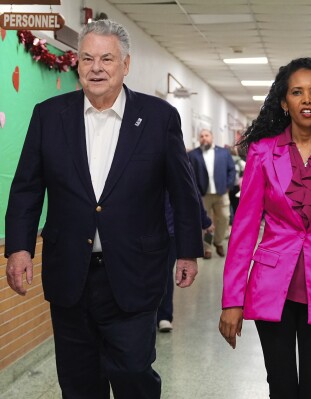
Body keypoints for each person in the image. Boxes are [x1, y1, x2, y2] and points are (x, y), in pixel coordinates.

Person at [4, 20, 204, 399]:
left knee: (132, 372)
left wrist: (188, 251)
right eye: (87, 58)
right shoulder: (49, 115)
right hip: (70, 274)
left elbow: (183, 191)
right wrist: (19, 247)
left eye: (107, 59)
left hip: (134, 272)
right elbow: (27, 188)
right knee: (79, 382)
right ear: (77, 64)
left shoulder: (158, 118)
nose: (96, 67)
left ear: (125, 65)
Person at [219, 57, 311, 399]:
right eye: (297, 92)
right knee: (281, 388)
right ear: (284, 102)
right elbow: (244, 227)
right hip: (272, 287)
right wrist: (232, 300)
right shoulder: (261, 152)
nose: (306, 100)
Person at [157, 192, 213, 332]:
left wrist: (204, 220)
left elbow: (191, 192)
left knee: (165, 273)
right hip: (140, 230)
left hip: (169, 229)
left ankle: (164, 315)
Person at [188, 129, 236, 258]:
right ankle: (207, 248)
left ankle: (218, 241)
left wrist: (228, 185)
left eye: (206, 135)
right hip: (203, 194)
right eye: (201, 136)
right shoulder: (193, 155)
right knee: (205, 223)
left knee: (225, 218)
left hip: (222, 192)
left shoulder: (224, 153)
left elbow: (232, 170)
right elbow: (189, 175)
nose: (204, 138)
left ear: (212, 137)